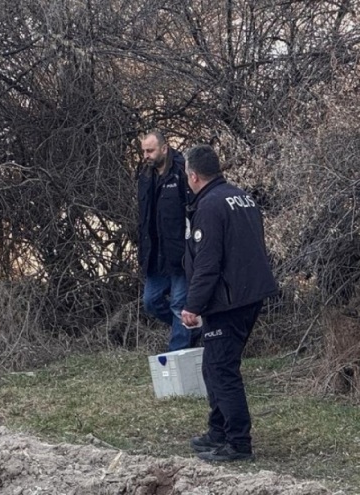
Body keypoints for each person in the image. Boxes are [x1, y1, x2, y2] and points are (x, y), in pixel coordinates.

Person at [180, 144, 278, 462]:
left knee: (222, 370)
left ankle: (238, 442)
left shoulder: (209, 206)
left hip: (229, 300)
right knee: (213, 366)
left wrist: (193, 306)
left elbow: (208, 263)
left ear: (193, 176)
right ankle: (218, 431)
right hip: (249, 294)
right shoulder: (241, 197)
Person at [138, 131, 197, 351]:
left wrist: (193, 249)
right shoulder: (145, 175)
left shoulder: (182, 172)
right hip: (155, 254)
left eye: (150, 150)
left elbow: (194, 212)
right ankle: (194, 329)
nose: (146, 155)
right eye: (144, 151)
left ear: (164, 148)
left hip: (180, 253)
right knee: (151, 302)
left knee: (178, 305)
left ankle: (177, 356)